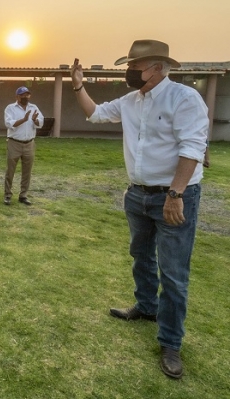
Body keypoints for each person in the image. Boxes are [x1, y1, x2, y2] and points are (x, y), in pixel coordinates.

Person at [71, 39, 209, 379]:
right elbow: (95, 114)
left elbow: (193, 147)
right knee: (141, 255)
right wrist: (78, 84)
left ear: (158, 67)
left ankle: (171, 342)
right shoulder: (132, 101)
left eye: (135, 66)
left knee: (174, 273)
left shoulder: (185, 99)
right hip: (138, 195)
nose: (129, 72)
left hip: (174, 196)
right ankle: (146, 307)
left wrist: (175, 193)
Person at [3, 87, 44, 205]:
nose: (25, 97)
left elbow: (40, 122)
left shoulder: (34, 108)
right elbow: (9, 124)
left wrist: (35, 120)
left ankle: (23, 195)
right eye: (22, 95)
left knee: (27, 171)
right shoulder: (10, 108)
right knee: (10, 171)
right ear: (17, 97)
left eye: (27, 95)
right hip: (14, 143)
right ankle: (7, 195)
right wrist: (24, 119)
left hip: (29, 143)